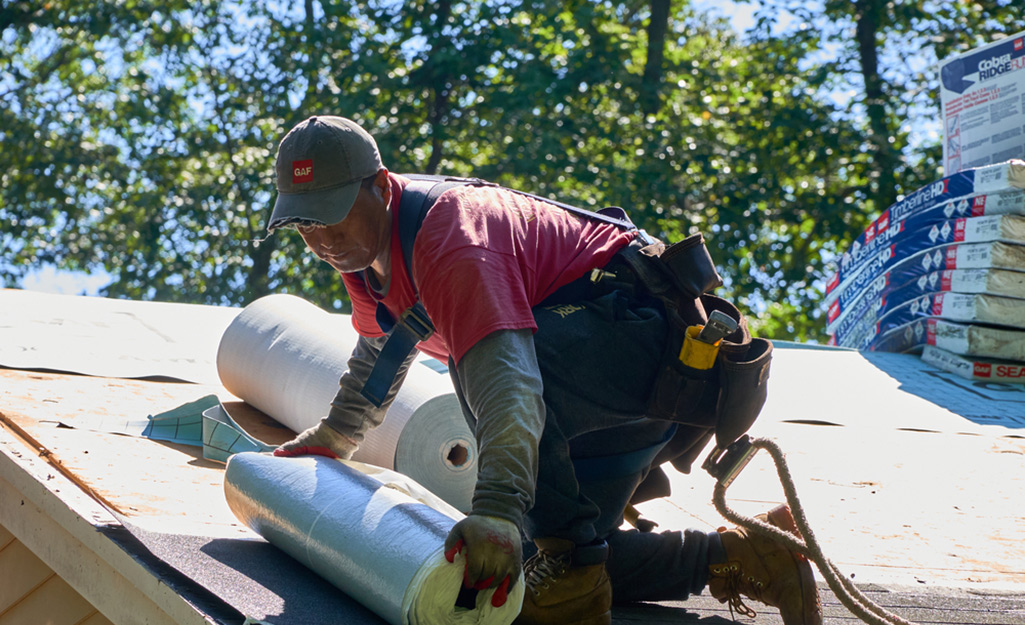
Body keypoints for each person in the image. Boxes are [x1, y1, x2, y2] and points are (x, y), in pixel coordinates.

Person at [267, 115, 821, 625]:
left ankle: (571, 574)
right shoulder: (365, 257)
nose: (321, 240)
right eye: (304, 224)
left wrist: (497, 510)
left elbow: (509, 383)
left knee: (488, 400)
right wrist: (335, 437)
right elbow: (381, 353)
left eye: (334, 215)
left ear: (381, 188)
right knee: (531, 571)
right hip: (599, 389)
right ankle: (750, 557)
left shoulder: (453, 235)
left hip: (657, 354)